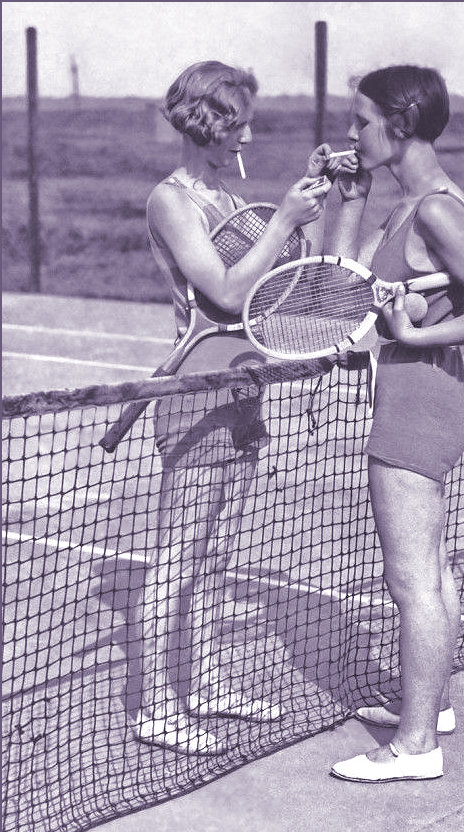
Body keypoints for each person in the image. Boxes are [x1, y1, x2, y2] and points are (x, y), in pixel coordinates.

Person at [324, 65, 464, 782]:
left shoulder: (437, 209)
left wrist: (407, 334)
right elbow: (339, 283)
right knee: (430, 571)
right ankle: (430, 707)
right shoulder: (413, 202)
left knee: (410, 581)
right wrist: (352, 197)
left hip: (418, 399)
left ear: (400, 125)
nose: (351, 133)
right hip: (421, 392)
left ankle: (414, 749)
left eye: (361, 121)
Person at [133, 61, 331, 755]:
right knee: (176, 558)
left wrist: (306, 213)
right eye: (238, 121)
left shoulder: (220, 192)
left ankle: (209, 682)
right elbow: (221, 292)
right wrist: (281, 217)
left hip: (247, 387)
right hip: (195, 395)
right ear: (208, 123)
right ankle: (155, 707)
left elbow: (280, 285)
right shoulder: (172, 200)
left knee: (215, 555)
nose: (247, 133)